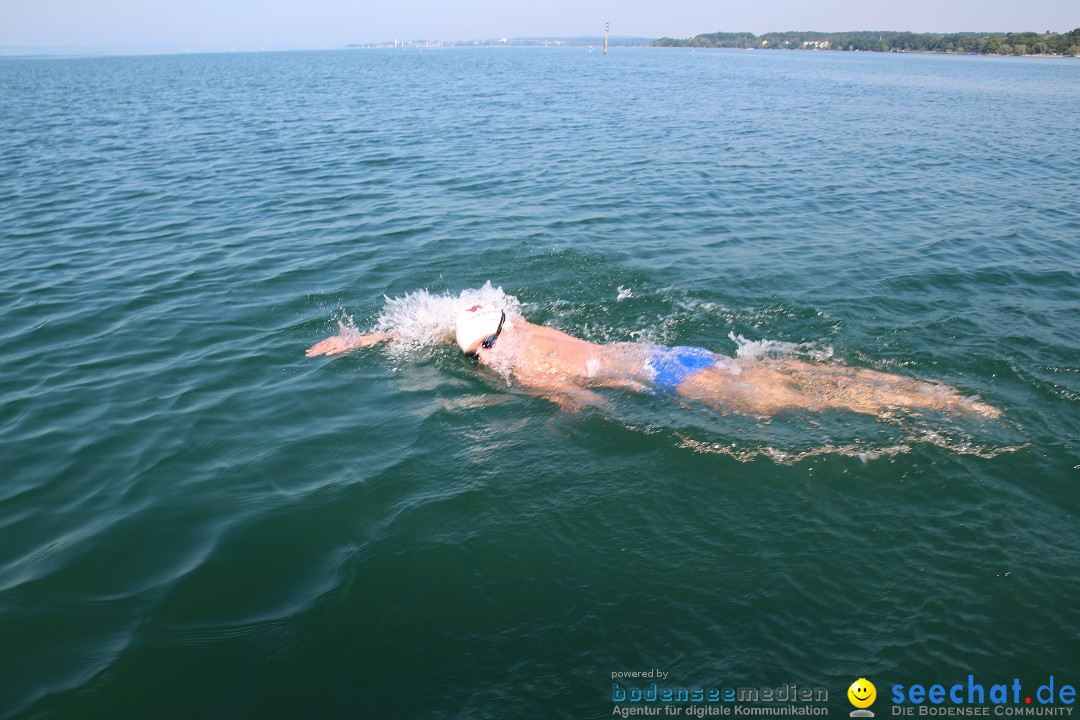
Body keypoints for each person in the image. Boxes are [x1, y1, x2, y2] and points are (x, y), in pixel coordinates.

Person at [306, 303, 1001, 418]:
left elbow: (585, 402)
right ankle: (933, 392)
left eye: (476, 354)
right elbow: (427, 324)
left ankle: (942, 409)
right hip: (673, 353)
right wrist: (360, 338)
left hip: (667, 380)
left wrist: (562, 422)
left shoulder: (523, 366)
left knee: (799, 403)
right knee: (794, 375)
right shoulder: (523, 325)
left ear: (486, 345)